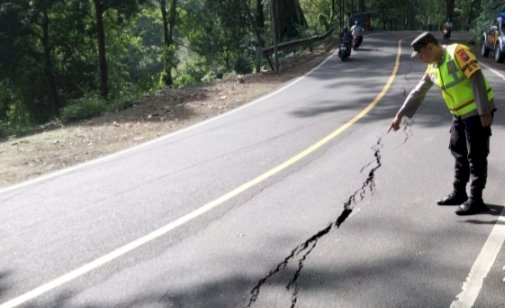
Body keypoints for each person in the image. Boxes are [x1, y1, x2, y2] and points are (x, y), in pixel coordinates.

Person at [388, 32, 496, 215]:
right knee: (458, 150)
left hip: (476, 111)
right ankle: (459, 193)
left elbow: (477, 78)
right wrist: (400, 113)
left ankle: (476, 199)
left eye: (422, 54)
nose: (421, 59)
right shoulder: (432, 66)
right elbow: (418, 91)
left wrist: (484, 111)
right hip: (459, 113)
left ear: (430, 47)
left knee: (476, 154)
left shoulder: (458, 52)